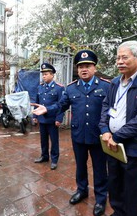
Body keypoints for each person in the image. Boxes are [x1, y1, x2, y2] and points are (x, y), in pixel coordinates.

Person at [32, 50, 109, 216]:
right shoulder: (72, 88)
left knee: (100, 169)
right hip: (79, 135)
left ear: (94, 68)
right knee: (80, 166)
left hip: (99, 136)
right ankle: (82, 191)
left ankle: (101, 199)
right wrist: (47, 108)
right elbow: (61, 105)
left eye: (87, 66)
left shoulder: (106, 86)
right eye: (80, 66)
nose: (84, 69)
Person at [99, 40, 137, 216]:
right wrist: (104, 130)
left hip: (133, 146)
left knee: (132, 190)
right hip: (112, 145)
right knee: (115, 184)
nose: (119, 61)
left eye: (124, 57)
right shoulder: (114, 83)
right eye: (117, 58)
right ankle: (118, 212)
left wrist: (116, 137)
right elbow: (105, 107)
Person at [33, 63, 65, 170]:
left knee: (54, 140)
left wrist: (59, 118)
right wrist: (35, 116)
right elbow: (36, 102)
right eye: (43, 74)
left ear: (52, 75)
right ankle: (44, 156)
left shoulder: (59, 88)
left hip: (52, 120)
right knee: (43, 140)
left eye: (46, 74)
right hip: (42, 119)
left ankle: (54, 160)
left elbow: (61, 105)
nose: (44, 76)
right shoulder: (40, 87)